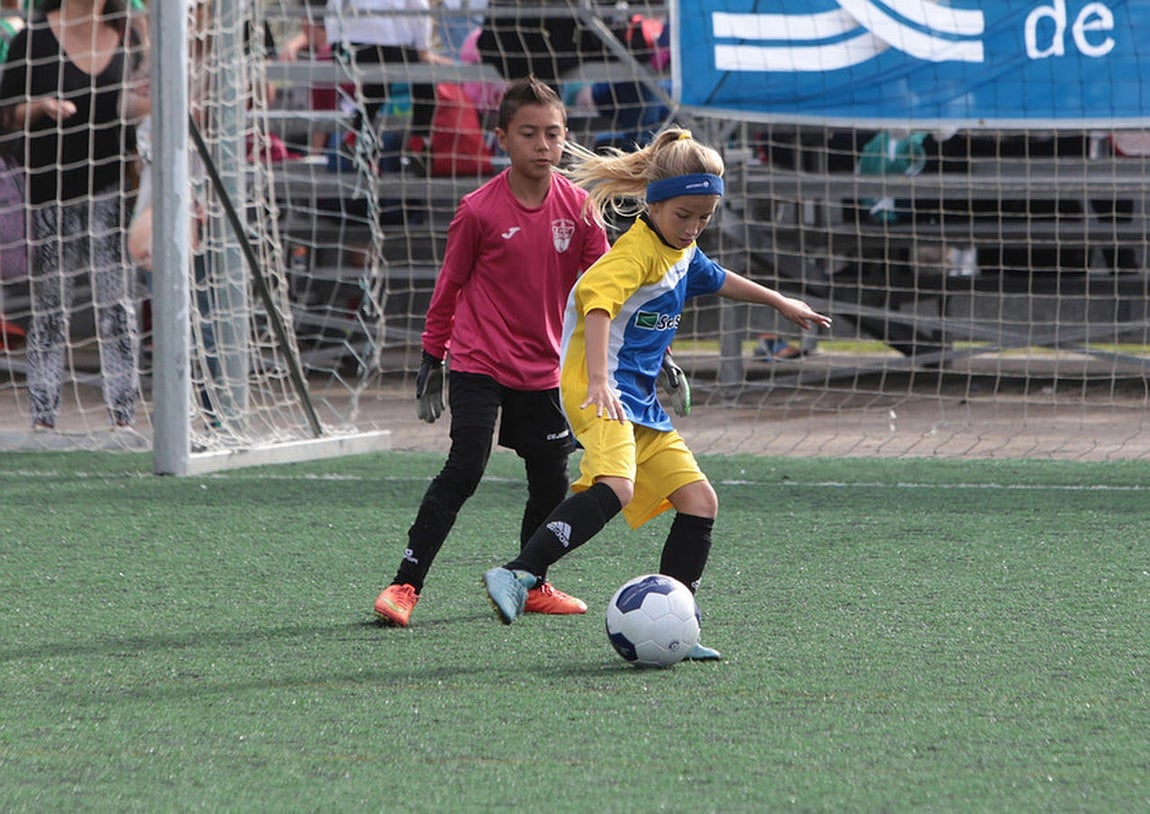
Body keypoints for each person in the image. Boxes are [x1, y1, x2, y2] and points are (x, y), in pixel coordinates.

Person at [481, 128, 833, 660]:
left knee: (699, 501)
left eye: (704, 218)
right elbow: (597, 307)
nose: (693, 228)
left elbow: (719, 279)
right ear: (654, 203)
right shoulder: (637, 252)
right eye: (684, 215)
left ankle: (679, 621)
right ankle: (518, 573)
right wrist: (599, 379)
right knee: (616, 485)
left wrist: (781, 302)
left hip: (639, 397)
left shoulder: (682, 251)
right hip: (596, 386)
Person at [371, 76, 611, 627]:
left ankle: (532, 582)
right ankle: (404, 585)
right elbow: (449, 286)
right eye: (529, 134)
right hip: (479, 362)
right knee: (464, 469)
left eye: (553, 134)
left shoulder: (579, 208)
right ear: (503, 137)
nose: (542, 145)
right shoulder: (478, 210)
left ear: (566, 137)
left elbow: (611, 285)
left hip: (546, 367)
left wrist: (643, 344)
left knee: (551, 479)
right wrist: (433, 358)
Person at [0, 0, 150, 430]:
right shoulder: (34, 38)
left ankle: (123, 413)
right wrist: (40, 107)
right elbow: (7, 113)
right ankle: (43, 414)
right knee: (50, 305)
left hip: (112, 191)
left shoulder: (128, 35)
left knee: (117, 305)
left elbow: (132, 109)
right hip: (51, 194)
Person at [323, 0, 453, 170]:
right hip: (381, 42)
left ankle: (357, 134)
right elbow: (418, 6)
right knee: (421, 70)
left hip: (342, 45)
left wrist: (335, 42)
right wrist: (423, 48)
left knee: (381, 77)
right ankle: (420, 139)